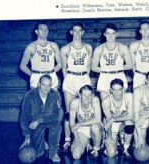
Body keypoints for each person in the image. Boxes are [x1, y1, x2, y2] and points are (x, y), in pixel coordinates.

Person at [60, 22, 93, 150]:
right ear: (71, 32)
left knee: (86, 111)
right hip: (70, 78)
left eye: (80, 31)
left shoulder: (88, 47)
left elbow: (89, 66)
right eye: (75, 31)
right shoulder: (65, 49)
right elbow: (63, 68)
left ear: (83, 32)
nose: (77, 33)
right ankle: (68, 139)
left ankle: (87, 139)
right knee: (69, 113)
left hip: (83, 77)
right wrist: (68, 80)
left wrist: (85, 78)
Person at [19, 75, 61, 162]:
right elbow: (24, 117)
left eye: (49, 85)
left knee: (56, 125)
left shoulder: (55, 95)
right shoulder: (29, 96)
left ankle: (53, 152)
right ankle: (43, 143)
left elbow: (55, 114)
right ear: (38, 84)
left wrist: (39, 121)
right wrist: (27, 136)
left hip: (48, 121)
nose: (46, 88)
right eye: (43, 85)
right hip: (34, 124)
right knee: (37, 153)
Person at [92, 23, 132, 100]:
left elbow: (129, 65)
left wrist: (114, 68)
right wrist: (107, 69)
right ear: (104, 34)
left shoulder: (123, 48)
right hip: (104, 76)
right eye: (108, 33)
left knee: (120, 104)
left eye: (113, 33)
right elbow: (93, 67)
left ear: (116, 34)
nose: (110, 36)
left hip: (119, 75)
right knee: (105, 103)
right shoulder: (99, 49)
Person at [19, 21, 61, 89]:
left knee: (53, 99)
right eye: (41, 29)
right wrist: (33, 75)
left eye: (46, 29)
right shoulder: (31, 47)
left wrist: (51, 73)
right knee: (36, 99)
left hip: (51, 77)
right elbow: (22, 66)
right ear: (36, 31)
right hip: (37, 77)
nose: (44, 31)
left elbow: (60, 64)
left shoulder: (53, 45)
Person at [101, 78, 134, 158]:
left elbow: (130, 116)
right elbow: (109, 121)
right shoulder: (106, 101)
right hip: (112, 125)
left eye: (119, 89)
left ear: (123, 89)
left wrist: (113, 119)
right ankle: (113, 139)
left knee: (130, 123)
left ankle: (125, 148)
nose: (117, 93)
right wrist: (109, 138)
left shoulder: (129, 96)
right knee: (111, 153)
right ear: (110, 90)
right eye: (114, 90)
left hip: (124, 123)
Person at [69, 85, 102, 159]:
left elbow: (98, 119)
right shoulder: (74, 103)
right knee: (76, 155)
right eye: (84, 95)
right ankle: (85, 143)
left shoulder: (95, 100)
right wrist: (77, 139)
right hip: (82, 130)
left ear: (92, 95)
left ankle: (96, 149)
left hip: (94, 128)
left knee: (95, 127)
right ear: (80, 95)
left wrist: (80, 123)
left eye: (89, 95)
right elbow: (72, 124)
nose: (87, 98)